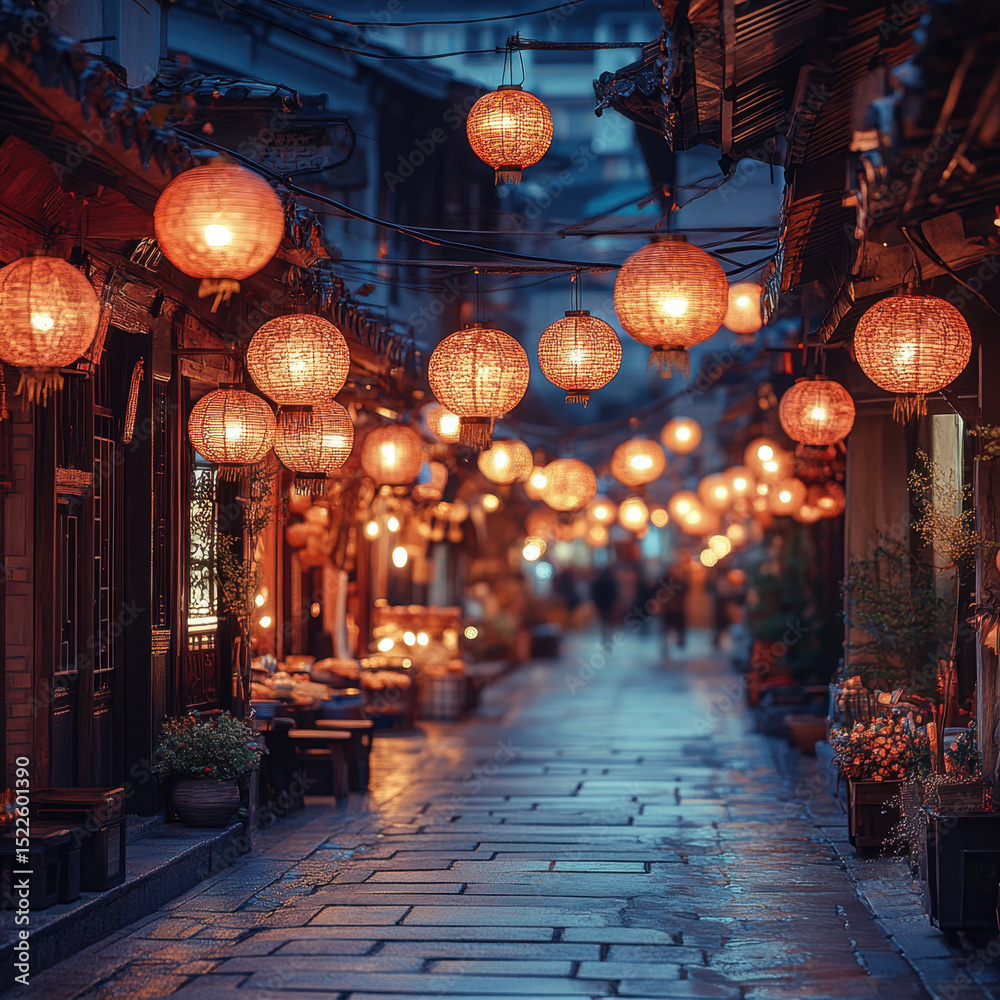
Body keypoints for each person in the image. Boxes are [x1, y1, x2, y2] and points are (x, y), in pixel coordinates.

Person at [660, 555, 690, 653]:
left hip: (678, 608)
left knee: (679, 626)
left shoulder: (681, 581)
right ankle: (666, 644)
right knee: (667, 627)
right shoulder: (665, 580)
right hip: (668, 608)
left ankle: (680, 641)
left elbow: (685, 590)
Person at [590, 566, 618, 644]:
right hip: (608, 603)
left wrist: (597, 602)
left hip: (601, 603)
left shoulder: (598, 580)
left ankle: (605, 636)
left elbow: (594, 590)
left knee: (603, 621)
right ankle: (609, 636)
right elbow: (614, 592)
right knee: (609, 621)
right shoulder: (611, 580)